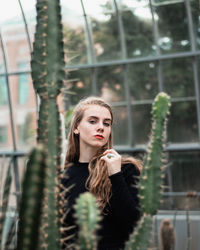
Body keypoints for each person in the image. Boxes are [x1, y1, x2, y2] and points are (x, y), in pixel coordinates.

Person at [61, 96, 142, 250]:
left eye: (107, 123)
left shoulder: (126, 169)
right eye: (92, 121)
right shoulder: (64, 176)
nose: (101, 127)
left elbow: (134, 225)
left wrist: (115, 174)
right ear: (76, 127)